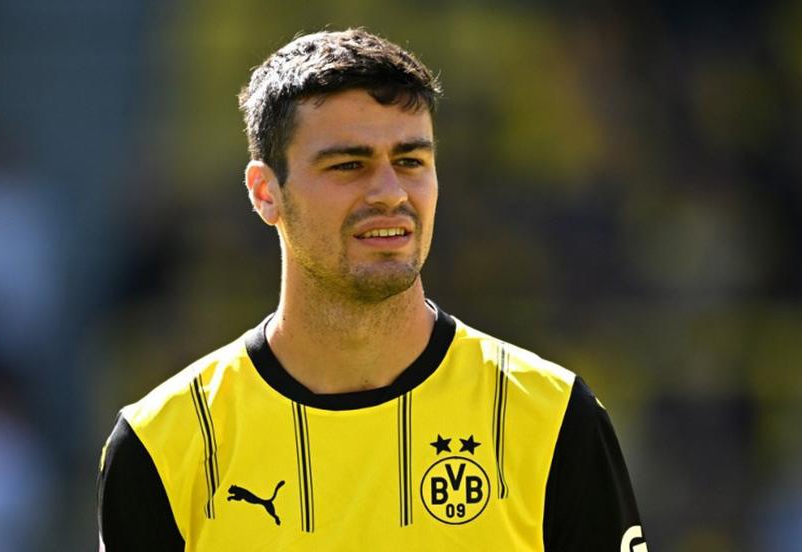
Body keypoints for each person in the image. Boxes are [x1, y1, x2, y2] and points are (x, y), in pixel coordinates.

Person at [97, 28, 646, 551]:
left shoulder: (552, 421)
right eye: (349, 164)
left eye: (411, 161)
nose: (389, 192)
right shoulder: (163, 445)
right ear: (266, 192)